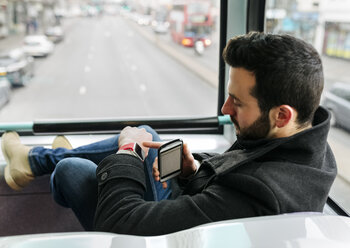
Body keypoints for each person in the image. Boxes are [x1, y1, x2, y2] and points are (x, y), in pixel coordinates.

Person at [1, 32, 337, 236]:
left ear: (282, 115)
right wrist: (195, 170)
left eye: (237, 102)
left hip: (156, 235)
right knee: (148, 134)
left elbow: (122, 222)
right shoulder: (307, 143)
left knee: (73, 171)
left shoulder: (263, 194)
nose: (224, 109)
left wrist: (128, 152)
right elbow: (238, 174)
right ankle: (33, 161)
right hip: (193, 204)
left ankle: (43, 162)